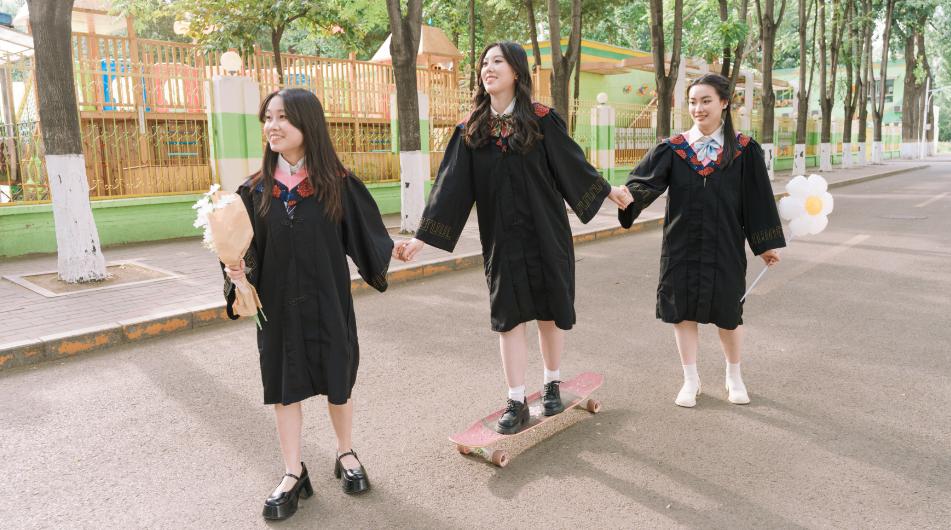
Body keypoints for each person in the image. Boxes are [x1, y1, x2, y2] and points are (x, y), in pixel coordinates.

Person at [393, 42, 633, 434]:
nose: (488, 68)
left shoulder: (541, 120)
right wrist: (421, 239)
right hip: (501, 240)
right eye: (484, 63)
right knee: (508, 317)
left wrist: (610, 192)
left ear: (516, 71)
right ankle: (516, 400)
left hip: (546, 233)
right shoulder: (471, 129)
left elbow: (574, 165)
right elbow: (450, 189)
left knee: (549, 310)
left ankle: (551, 383)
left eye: (497, 62)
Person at [222, 88, 393, 520]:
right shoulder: (254, 191)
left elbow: (368, 237)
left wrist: (396, 251)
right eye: (268, 118)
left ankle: (345, 452)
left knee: (338, 377)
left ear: (308, 123)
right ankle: (292, 472)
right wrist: (238, 273)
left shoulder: (337, 183)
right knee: (284, 385)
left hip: (327, 301)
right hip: (277, 307)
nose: (273, 126)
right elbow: (246, 254)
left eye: (283, 117)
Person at [618, 73, 784, 408]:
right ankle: (690, 379)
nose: (698, 108)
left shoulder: (744, 150)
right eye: (693, 102)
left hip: (725, 245)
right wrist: (625, 197)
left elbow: (757, 199)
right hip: (682, 244)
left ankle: (734, 375)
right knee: (682, 312)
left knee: (729, 313)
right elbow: (643, 184)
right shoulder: (674, 149)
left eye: (706, 100)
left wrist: (765, 243)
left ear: (724, 103)